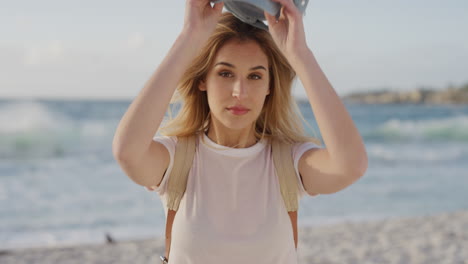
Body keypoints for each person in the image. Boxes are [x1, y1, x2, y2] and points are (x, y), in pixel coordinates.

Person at [112, 0, 368, 263]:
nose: (240, 92)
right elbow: (127, 152)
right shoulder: (177, 157)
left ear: (270, 86)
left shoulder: (287, 161)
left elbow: (351, 166)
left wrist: (300, 55)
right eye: (225, 73)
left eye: (255, 76)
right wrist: (189, 37)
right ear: (203, 80)